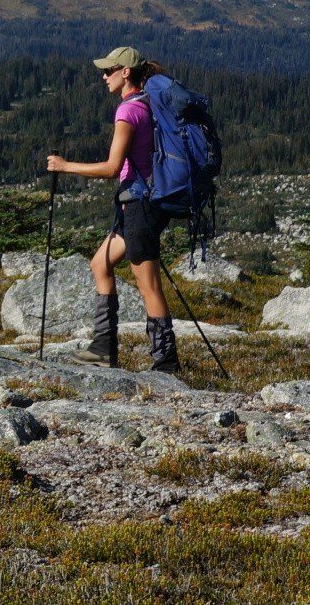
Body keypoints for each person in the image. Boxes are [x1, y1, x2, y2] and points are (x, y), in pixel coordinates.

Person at [45, 46, 180, 374]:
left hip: (140, 204)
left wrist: (65, 166)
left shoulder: (127, 112)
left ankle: (166, 362)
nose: (104, 76)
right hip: (140, 202)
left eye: (110, 70)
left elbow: (111, 167)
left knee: (147, 282)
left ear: (126, 73)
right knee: (99, 263)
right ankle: (104, 348)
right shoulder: (146, 104)